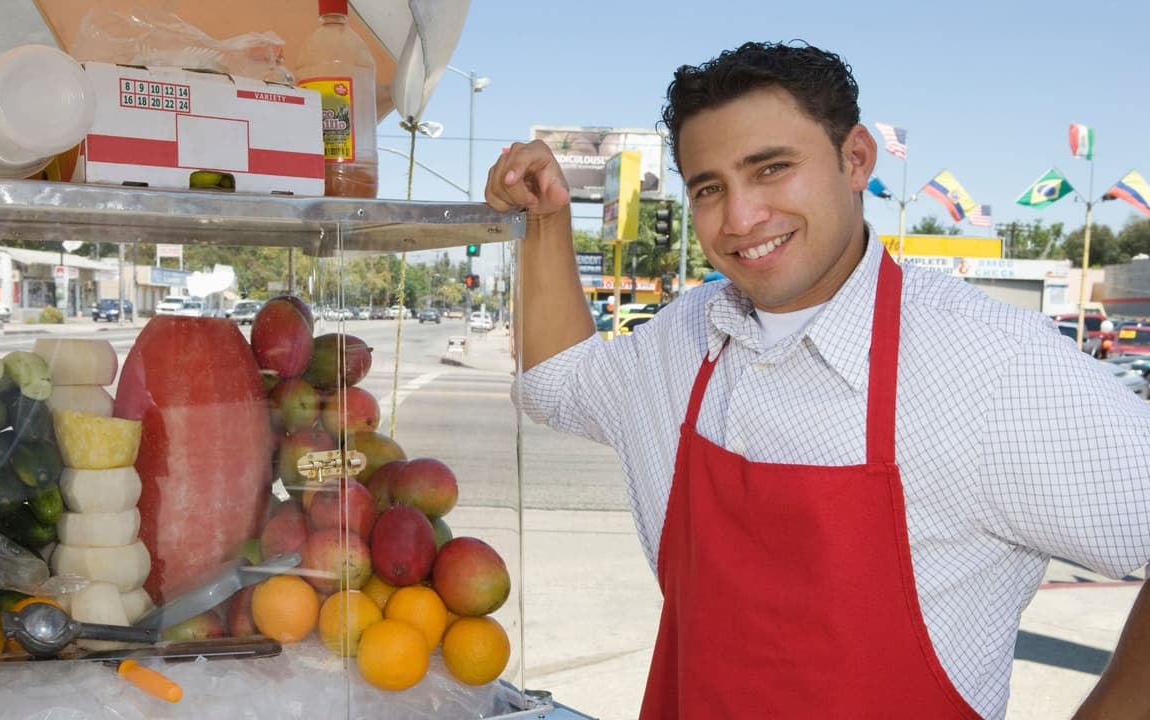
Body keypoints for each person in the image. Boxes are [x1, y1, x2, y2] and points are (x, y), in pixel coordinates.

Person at [485, 41, 1150, 719]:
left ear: (856, 158)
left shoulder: (986, 360)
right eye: (709, 188)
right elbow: (558, 384)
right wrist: (546, 220)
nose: (741, 219)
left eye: (772, 169)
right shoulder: (684, 340)